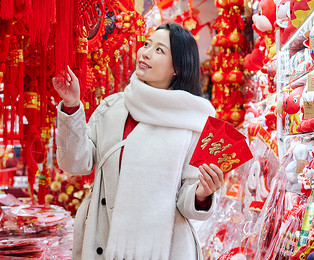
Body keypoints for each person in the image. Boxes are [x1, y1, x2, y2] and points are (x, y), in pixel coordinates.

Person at [52, 22, 225, 260]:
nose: (145, 53)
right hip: (105, 239)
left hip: (166, 249)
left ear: (177, 67)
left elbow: (187, 202)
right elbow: (76, 164)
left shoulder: (195, 121)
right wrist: (71, 106)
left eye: (159, 50)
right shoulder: (112, 108)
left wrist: (202, 194)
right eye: (146, 44)